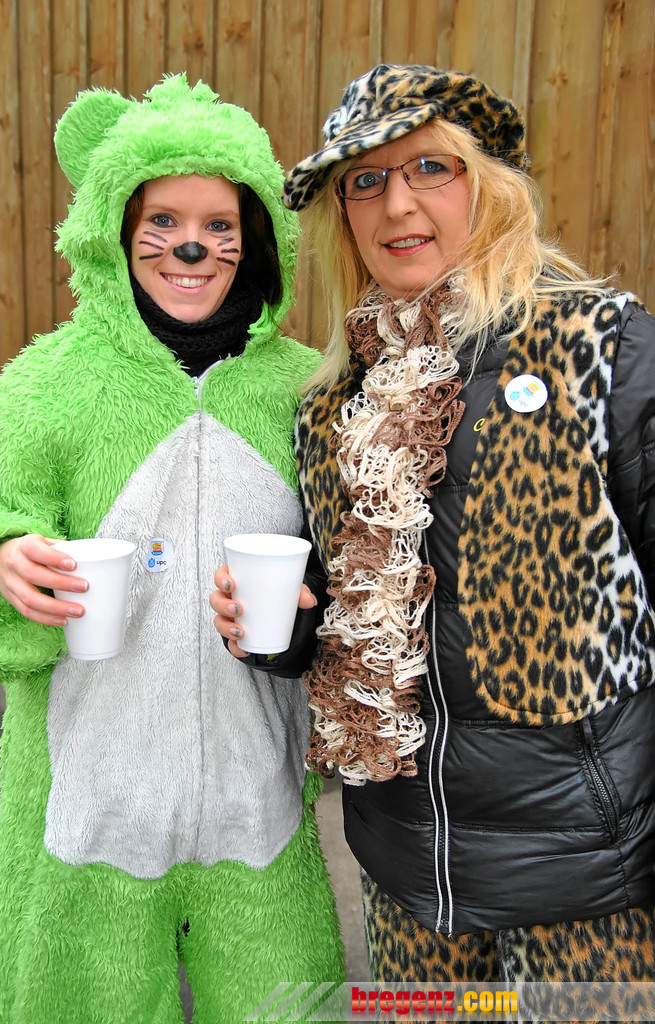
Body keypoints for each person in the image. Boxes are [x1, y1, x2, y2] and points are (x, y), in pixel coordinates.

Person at [213, 63, 655, 994]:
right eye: (364, 181)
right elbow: (341, 617)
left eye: (429, 169)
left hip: (585, 870)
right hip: (402, 861)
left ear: (487, 186)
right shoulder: (335, 401)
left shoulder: (600, 345)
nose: (396, 204)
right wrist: (279, 632)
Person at [0, 74, 344, 1024]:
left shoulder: (308, 389)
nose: (190, 246)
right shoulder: (45, 385)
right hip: (91, 804)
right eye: (163, 219)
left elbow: (358, 563)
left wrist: (313, 611)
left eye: (220, 224)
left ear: (257, 238)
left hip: (259, 803)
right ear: (113, 227)